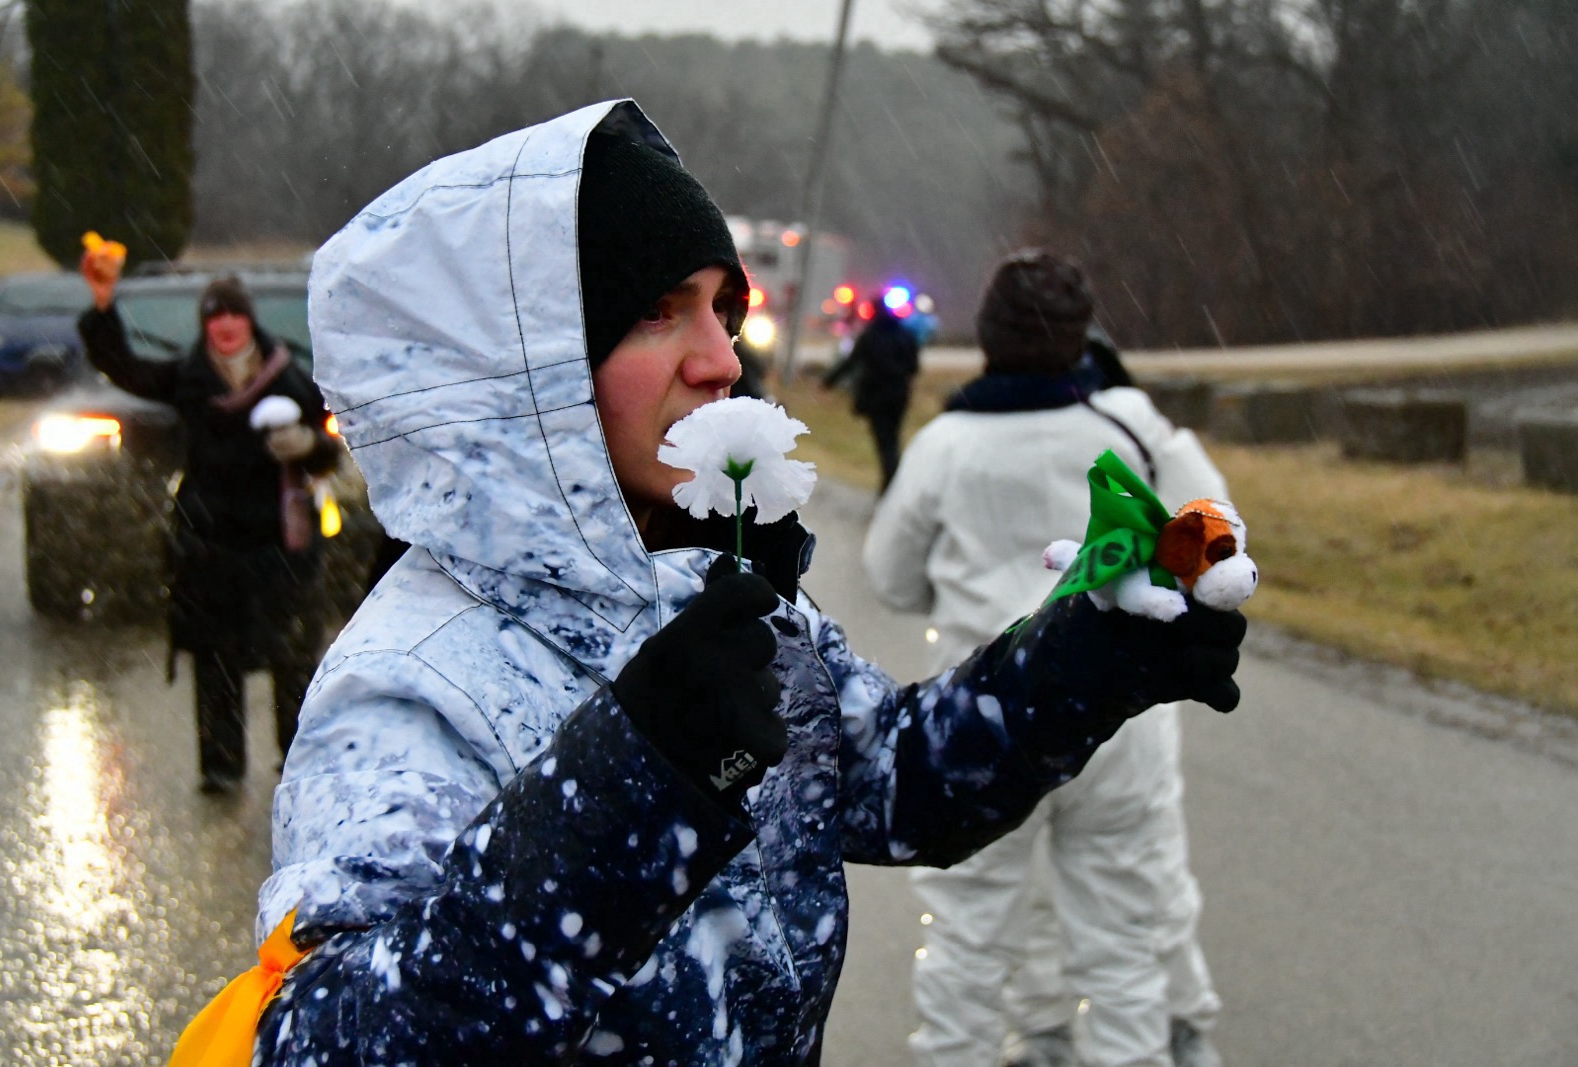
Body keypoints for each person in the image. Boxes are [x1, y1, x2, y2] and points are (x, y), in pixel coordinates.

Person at [240, 102, 1244, 1065]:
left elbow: (894, 783)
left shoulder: (707, 584)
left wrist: (1077, 657)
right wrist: (626, 781)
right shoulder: (411, 677)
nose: (721, 360)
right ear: (523, 375)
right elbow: (321, 1039)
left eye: (723, 310)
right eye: (658, 312)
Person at [863, 250, 1231, 1067]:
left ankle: (967, 1051)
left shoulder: (946, 443)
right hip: (1119, 714)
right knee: (1123, 932)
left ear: (989, 337)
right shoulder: (1128, 426)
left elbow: (889, 575)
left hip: (982, 715)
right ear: (1082, 336)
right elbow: (1214, 527)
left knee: (968, 927)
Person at [77, 265, 341, 794]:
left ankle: (300, 765)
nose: (225, 325)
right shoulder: (188, 379)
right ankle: (221, 766)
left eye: (234, 314)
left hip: (280, 541)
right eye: (215, 316)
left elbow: (331, 450)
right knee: (216, 660)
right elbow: (123, 367)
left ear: (250, 321)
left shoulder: (292, 378)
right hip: (211, 542)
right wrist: (103, 307)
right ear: (205, 326)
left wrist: (309, 447)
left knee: (293, 657)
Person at [824, 292, 921, 491]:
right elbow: (913, 367)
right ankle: (892, 483)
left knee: (885, 442)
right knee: (892, 438)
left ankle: (891, 485)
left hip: (878, 397)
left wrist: (829, 381)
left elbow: (851, 362)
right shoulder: (905, 335)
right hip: (899, 396)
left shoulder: (871, 336)